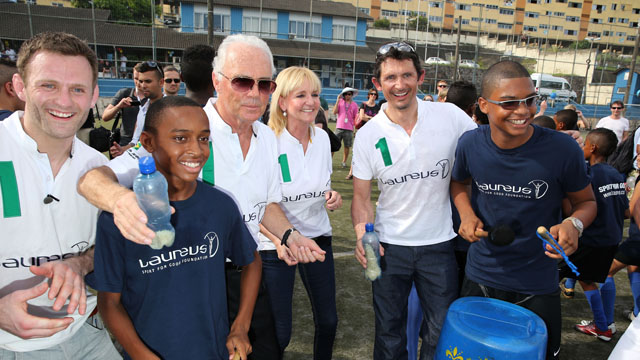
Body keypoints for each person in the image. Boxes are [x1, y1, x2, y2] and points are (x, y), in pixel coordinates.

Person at [77, 34, 326, 360]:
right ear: (217, 81)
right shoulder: (183, 127)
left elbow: (266, 204)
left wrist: (290, 235)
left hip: (248, 270)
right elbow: (94, 179)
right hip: (193, 276)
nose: (254, 93)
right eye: (242, 82)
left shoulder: (266, 137)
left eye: (265, 84)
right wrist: (120, 202)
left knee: (270, 348)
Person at [87, 96, 257, 359]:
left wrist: (241, 326)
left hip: (213, 352)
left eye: (203, 138)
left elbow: (251, 260)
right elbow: (109, 302)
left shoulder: (220, 205)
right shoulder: (119, 217)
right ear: (148, 142)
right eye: (180, 138)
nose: (197, 150)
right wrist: (141, 354)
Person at [450, 60, 597, 360]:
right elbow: (459, 184)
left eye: (529, 100)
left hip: (537, 283)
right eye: (509, 102)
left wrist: (574, 225)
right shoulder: (469, 144)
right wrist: (466, 214)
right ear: (483, 105)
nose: (523, 111)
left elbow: (587, 203)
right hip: (480, 277)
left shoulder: (563, 150)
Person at [351, 42, 476, 359]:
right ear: (378, 84)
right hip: (387, 247)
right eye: (390, 77)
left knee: (440, 330)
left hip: (440, 246)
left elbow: (485, 146)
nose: (400, 84)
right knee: (389, 332)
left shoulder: (449, 116)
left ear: (421, 77)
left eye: (407, 75)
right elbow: (362, 198)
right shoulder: (368, 135)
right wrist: (363, 235)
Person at [0, 31, 119, 359]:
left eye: (77, 89)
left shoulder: (96, 165)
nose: (64, 102)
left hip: (86, 333)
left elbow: (105, 246)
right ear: (20, 86)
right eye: (48, 85)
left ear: (94, 95)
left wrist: (79, 263)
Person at [260, 67, 342, 359]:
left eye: (315, 94)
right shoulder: (265, 141)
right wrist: (280, 238)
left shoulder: (322, 139)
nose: (311, 102)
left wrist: (331, 196)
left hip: (318, 238)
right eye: (301, 95)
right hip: (276, 246)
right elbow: (255, 205)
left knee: (329, 321)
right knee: (280, 333)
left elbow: (322, 186)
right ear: (282, 102)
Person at [562, 128, 628, 342]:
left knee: (564, 276)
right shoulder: (615, 174)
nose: (582, 148)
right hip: (611, 237)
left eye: (584, 144)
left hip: (592, 238)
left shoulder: (590, 175)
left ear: (593, 147)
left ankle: (602, 327)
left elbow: (575, 207)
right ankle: (605, 324)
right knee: (599, 276)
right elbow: (625, 210)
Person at [102, 65, 143, 153]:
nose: (138, 82)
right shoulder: (124, 93)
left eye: (142, 79)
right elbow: (105, 117)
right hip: (125, 141)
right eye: (136, 78)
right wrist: (118, 106)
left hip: (144, 143)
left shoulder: (153, 99)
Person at [333, 86, 359, 168]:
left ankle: (344, 162)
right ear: (343, 95)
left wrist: (355, 130)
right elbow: (334, 112)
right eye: (346, 94)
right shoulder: (340, 102)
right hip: (339, 127)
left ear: (352, 95)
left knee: (347, 146)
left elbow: (355, 118)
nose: (348, 95)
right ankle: (329, 160)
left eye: (350, 94)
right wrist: (337, 100)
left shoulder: (355, 105)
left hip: (349, 128)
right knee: (333, 145)